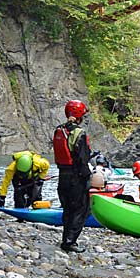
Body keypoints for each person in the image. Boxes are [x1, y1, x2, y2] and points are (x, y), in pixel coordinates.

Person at [53, 100, 93, 253]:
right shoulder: (79, 133)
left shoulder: (59, 130)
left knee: (68, 209)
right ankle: (70, 242)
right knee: (80, 209)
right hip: (76, 177)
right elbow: (83, 159)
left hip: (62, 176)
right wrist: (88, 177)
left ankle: (66, 239)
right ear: (78, 115)